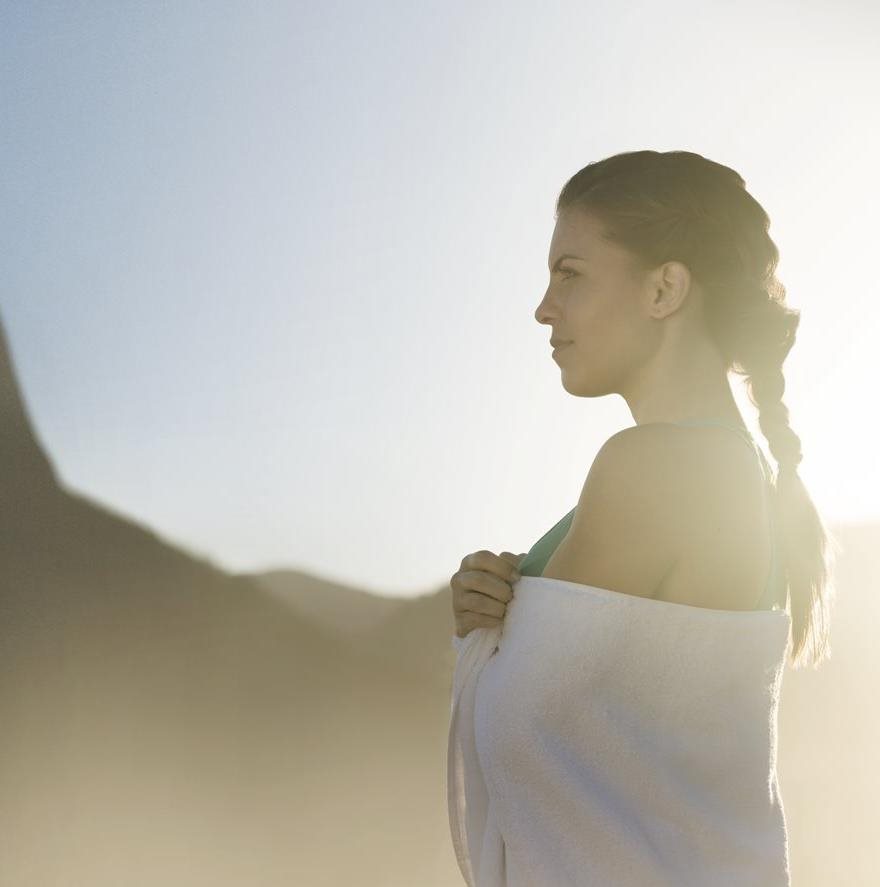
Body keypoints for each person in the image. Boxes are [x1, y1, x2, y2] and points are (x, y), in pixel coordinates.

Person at [448, 150, 841, 886]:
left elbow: (517, 728)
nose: (543, 307)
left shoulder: (651, 466)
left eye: (570, 274)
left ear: (664, 287)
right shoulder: (736, 469)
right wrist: (495, 615)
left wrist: (482, 634)